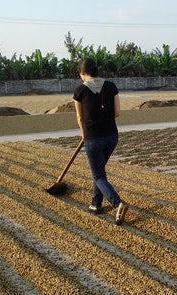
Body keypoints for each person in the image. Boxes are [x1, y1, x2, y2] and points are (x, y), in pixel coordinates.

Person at [73, 57, 129, 225]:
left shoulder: (79, 91)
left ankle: (118, 203)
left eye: (80, 74)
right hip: (112, 136)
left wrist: (84, 134)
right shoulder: (111, 86)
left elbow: (80, 117)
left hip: (93, 138)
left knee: (98, 176)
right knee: (100, 172)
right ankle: (96, 204)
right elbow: (118, 112)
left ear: (83, 73)